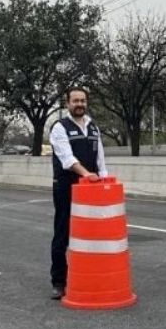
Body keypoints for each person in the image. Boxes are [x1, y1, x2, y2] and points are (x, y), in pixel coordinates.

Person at [48, 86, 108, 300]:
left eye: (83, 101)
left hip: (90, 187)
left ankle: (87, 276)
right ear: (67, 104)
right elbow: (67, 159)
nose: (80, 104)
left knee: (91, 233)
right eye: (75, 101)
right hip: (67, 186)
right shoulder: (59, 128)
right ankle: (58, 281)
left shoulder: (93, 127)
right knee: (63, 232)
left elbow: (100, 158)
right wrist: (86, 174)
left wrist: (103, 180)